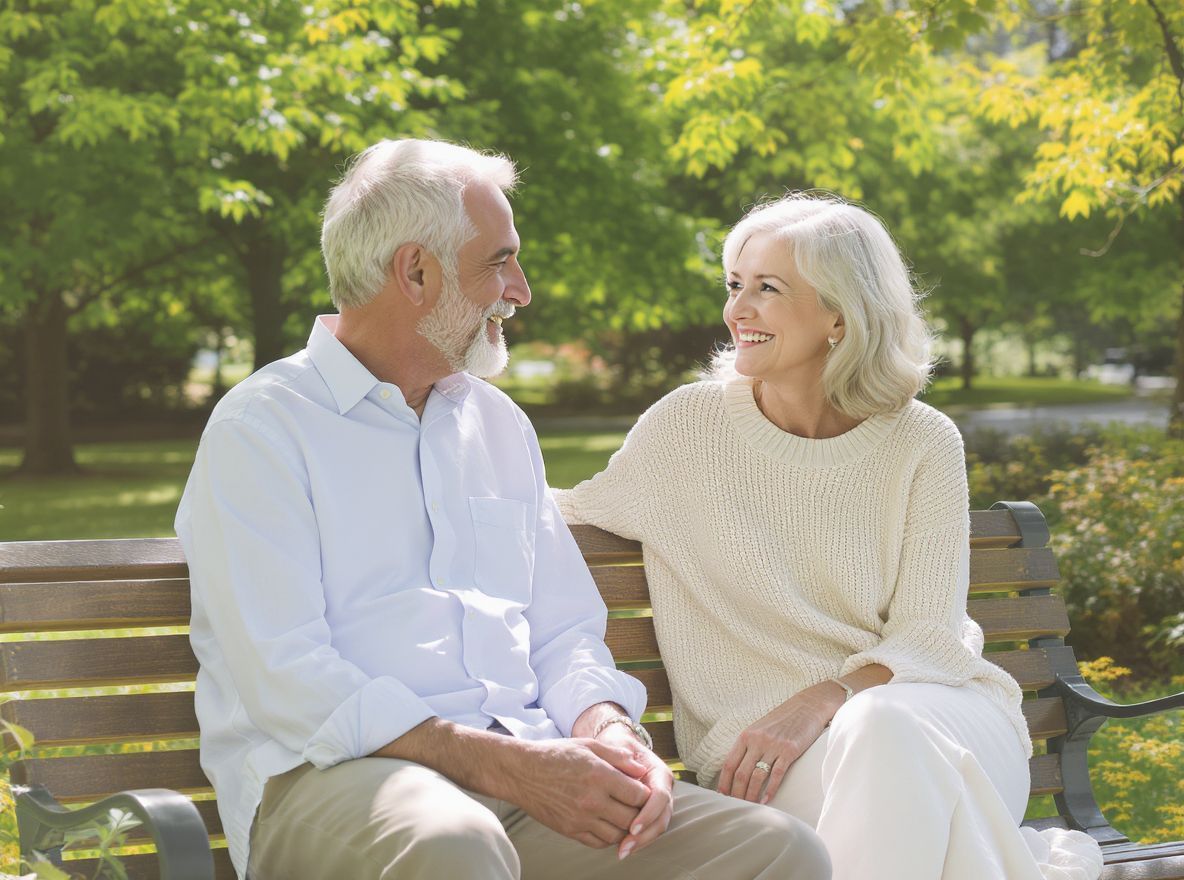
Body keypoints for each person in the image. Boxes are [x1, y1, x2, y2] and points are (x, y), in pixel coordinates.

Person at [174, 140, 831, 880]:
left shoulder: (496, 425)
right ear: (415, 271)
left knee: (778, 852)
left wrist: (604, 726)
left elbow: (562, 633)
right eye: (499, 261)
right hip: (331, 779)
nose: (519, 289)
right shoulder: (263, 429)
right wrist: (506, 765)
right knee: (455, 844)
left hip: (520, 765)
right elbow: (285, 675)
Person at [555, 193, 1104, 880]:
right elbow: (560, 510)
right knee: (912, 792)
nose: (737, 311)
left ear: (840, 314)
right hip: (766, 760)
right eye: (735, 286)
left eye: (767, 289)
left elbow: (931, 636)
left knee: (884, 729)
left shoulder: (922, 440)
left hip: (942, 717)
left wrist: (825, 697)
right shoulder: (684, 431)